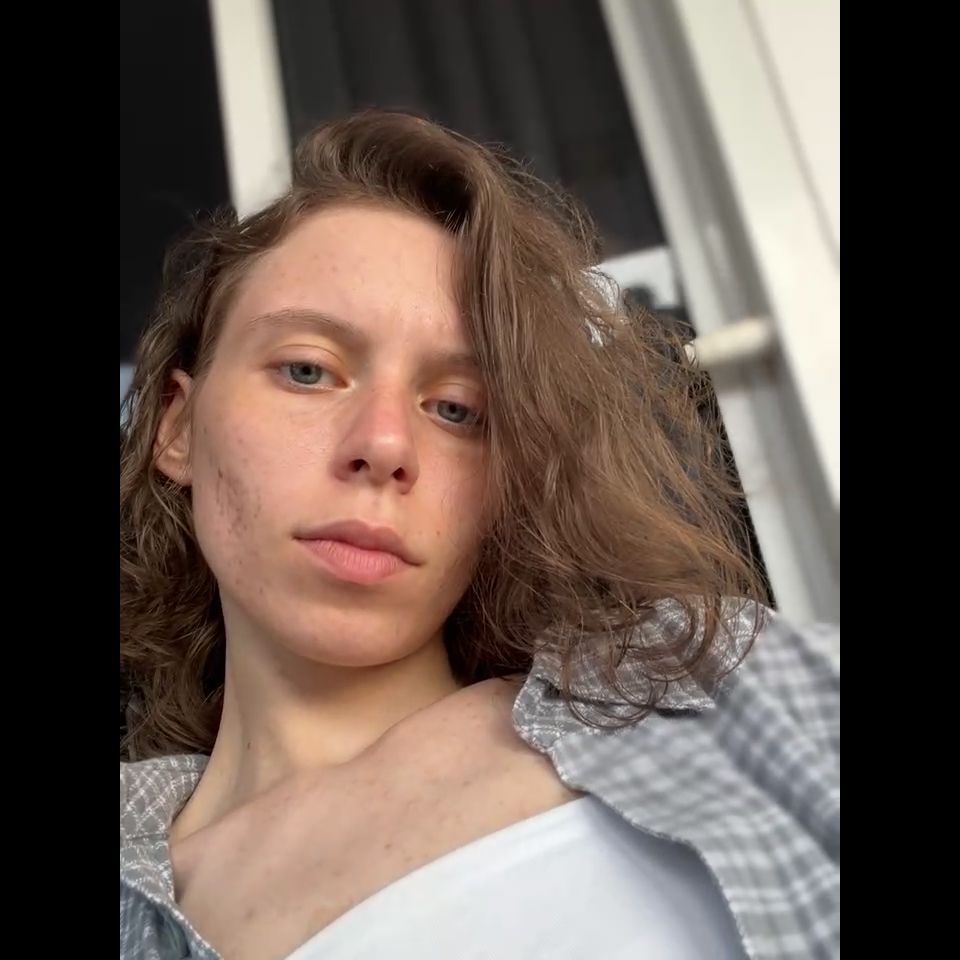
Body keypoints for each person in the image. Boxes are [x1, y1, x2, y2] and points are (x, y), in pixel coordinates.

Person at [120, 110, 839, 960]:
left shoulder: (724, 690)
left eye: (458, 410)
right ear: (177, 426)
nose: (385, 445)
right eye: (308, 370)